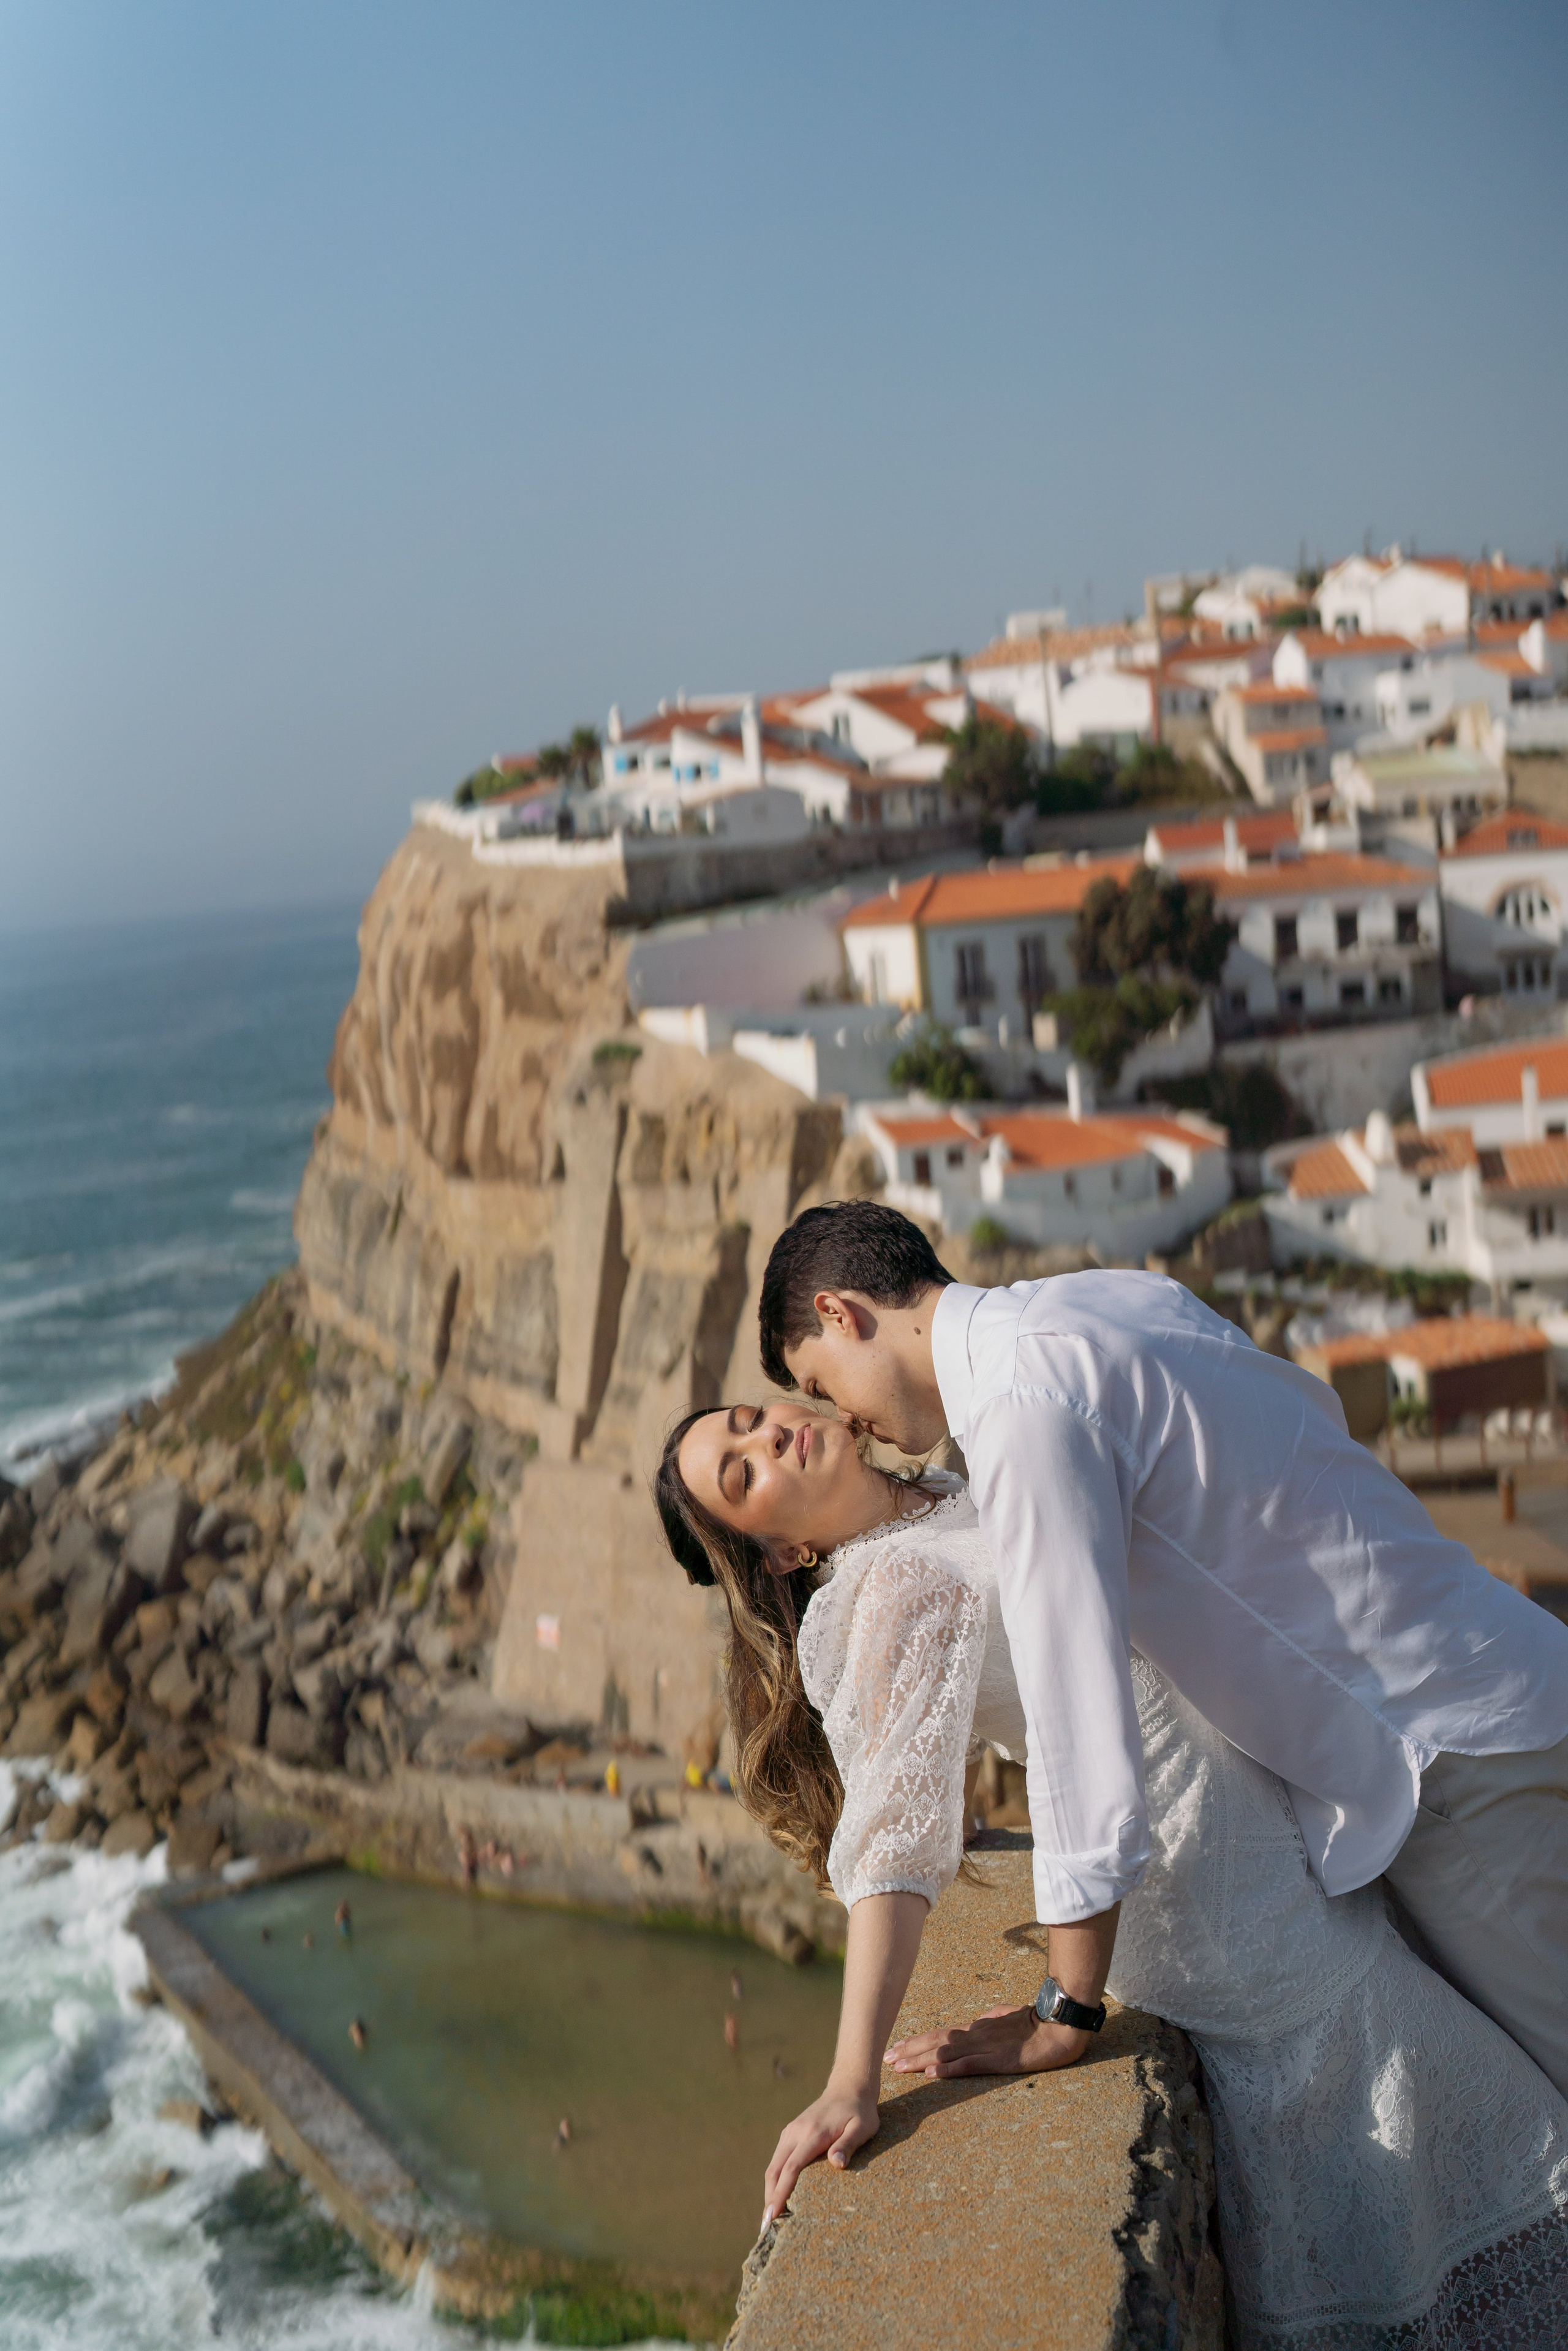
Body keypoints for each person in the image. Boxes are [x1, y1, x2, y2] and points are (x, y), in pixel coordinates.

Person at [656, 1394, 1568, 2349]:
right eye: (743, 1471)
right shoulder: (890, 1587)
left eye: (753, 1418)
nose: (770, 1436)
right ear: (776, 1554)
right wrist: (852, 2078)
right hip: (1208, 1898)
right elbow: (894, 1840)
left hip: (1251, 1846)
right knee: (1455, 2129)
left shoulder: (938, 1493)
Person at [755, 1202, 1568, 2107]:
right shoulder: (1105, 1300)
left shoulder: (1020, 1411)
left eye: (823, 1384)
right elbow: (1312, 1417)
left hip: (1439, 1753)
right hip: (1505, 1664)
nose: (847, 1418)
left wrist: (1065, 2008)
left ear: (840, 1313)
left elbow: (1076, 1712)